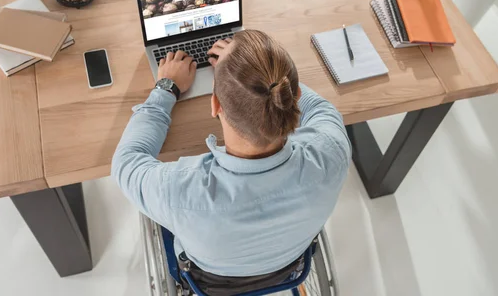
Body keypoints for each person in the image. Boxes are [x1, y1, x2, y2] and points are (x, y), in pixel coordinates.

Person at [112, 30, 351, 287]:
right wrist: (255, 69)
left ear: (215, 105)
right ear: (295, 98)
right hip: (289, 265)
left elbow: (127, 160)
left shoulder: (179, 191)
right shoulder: (332, 153)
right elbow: (320, 109)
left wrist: (167, 87)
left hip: (210, 281)